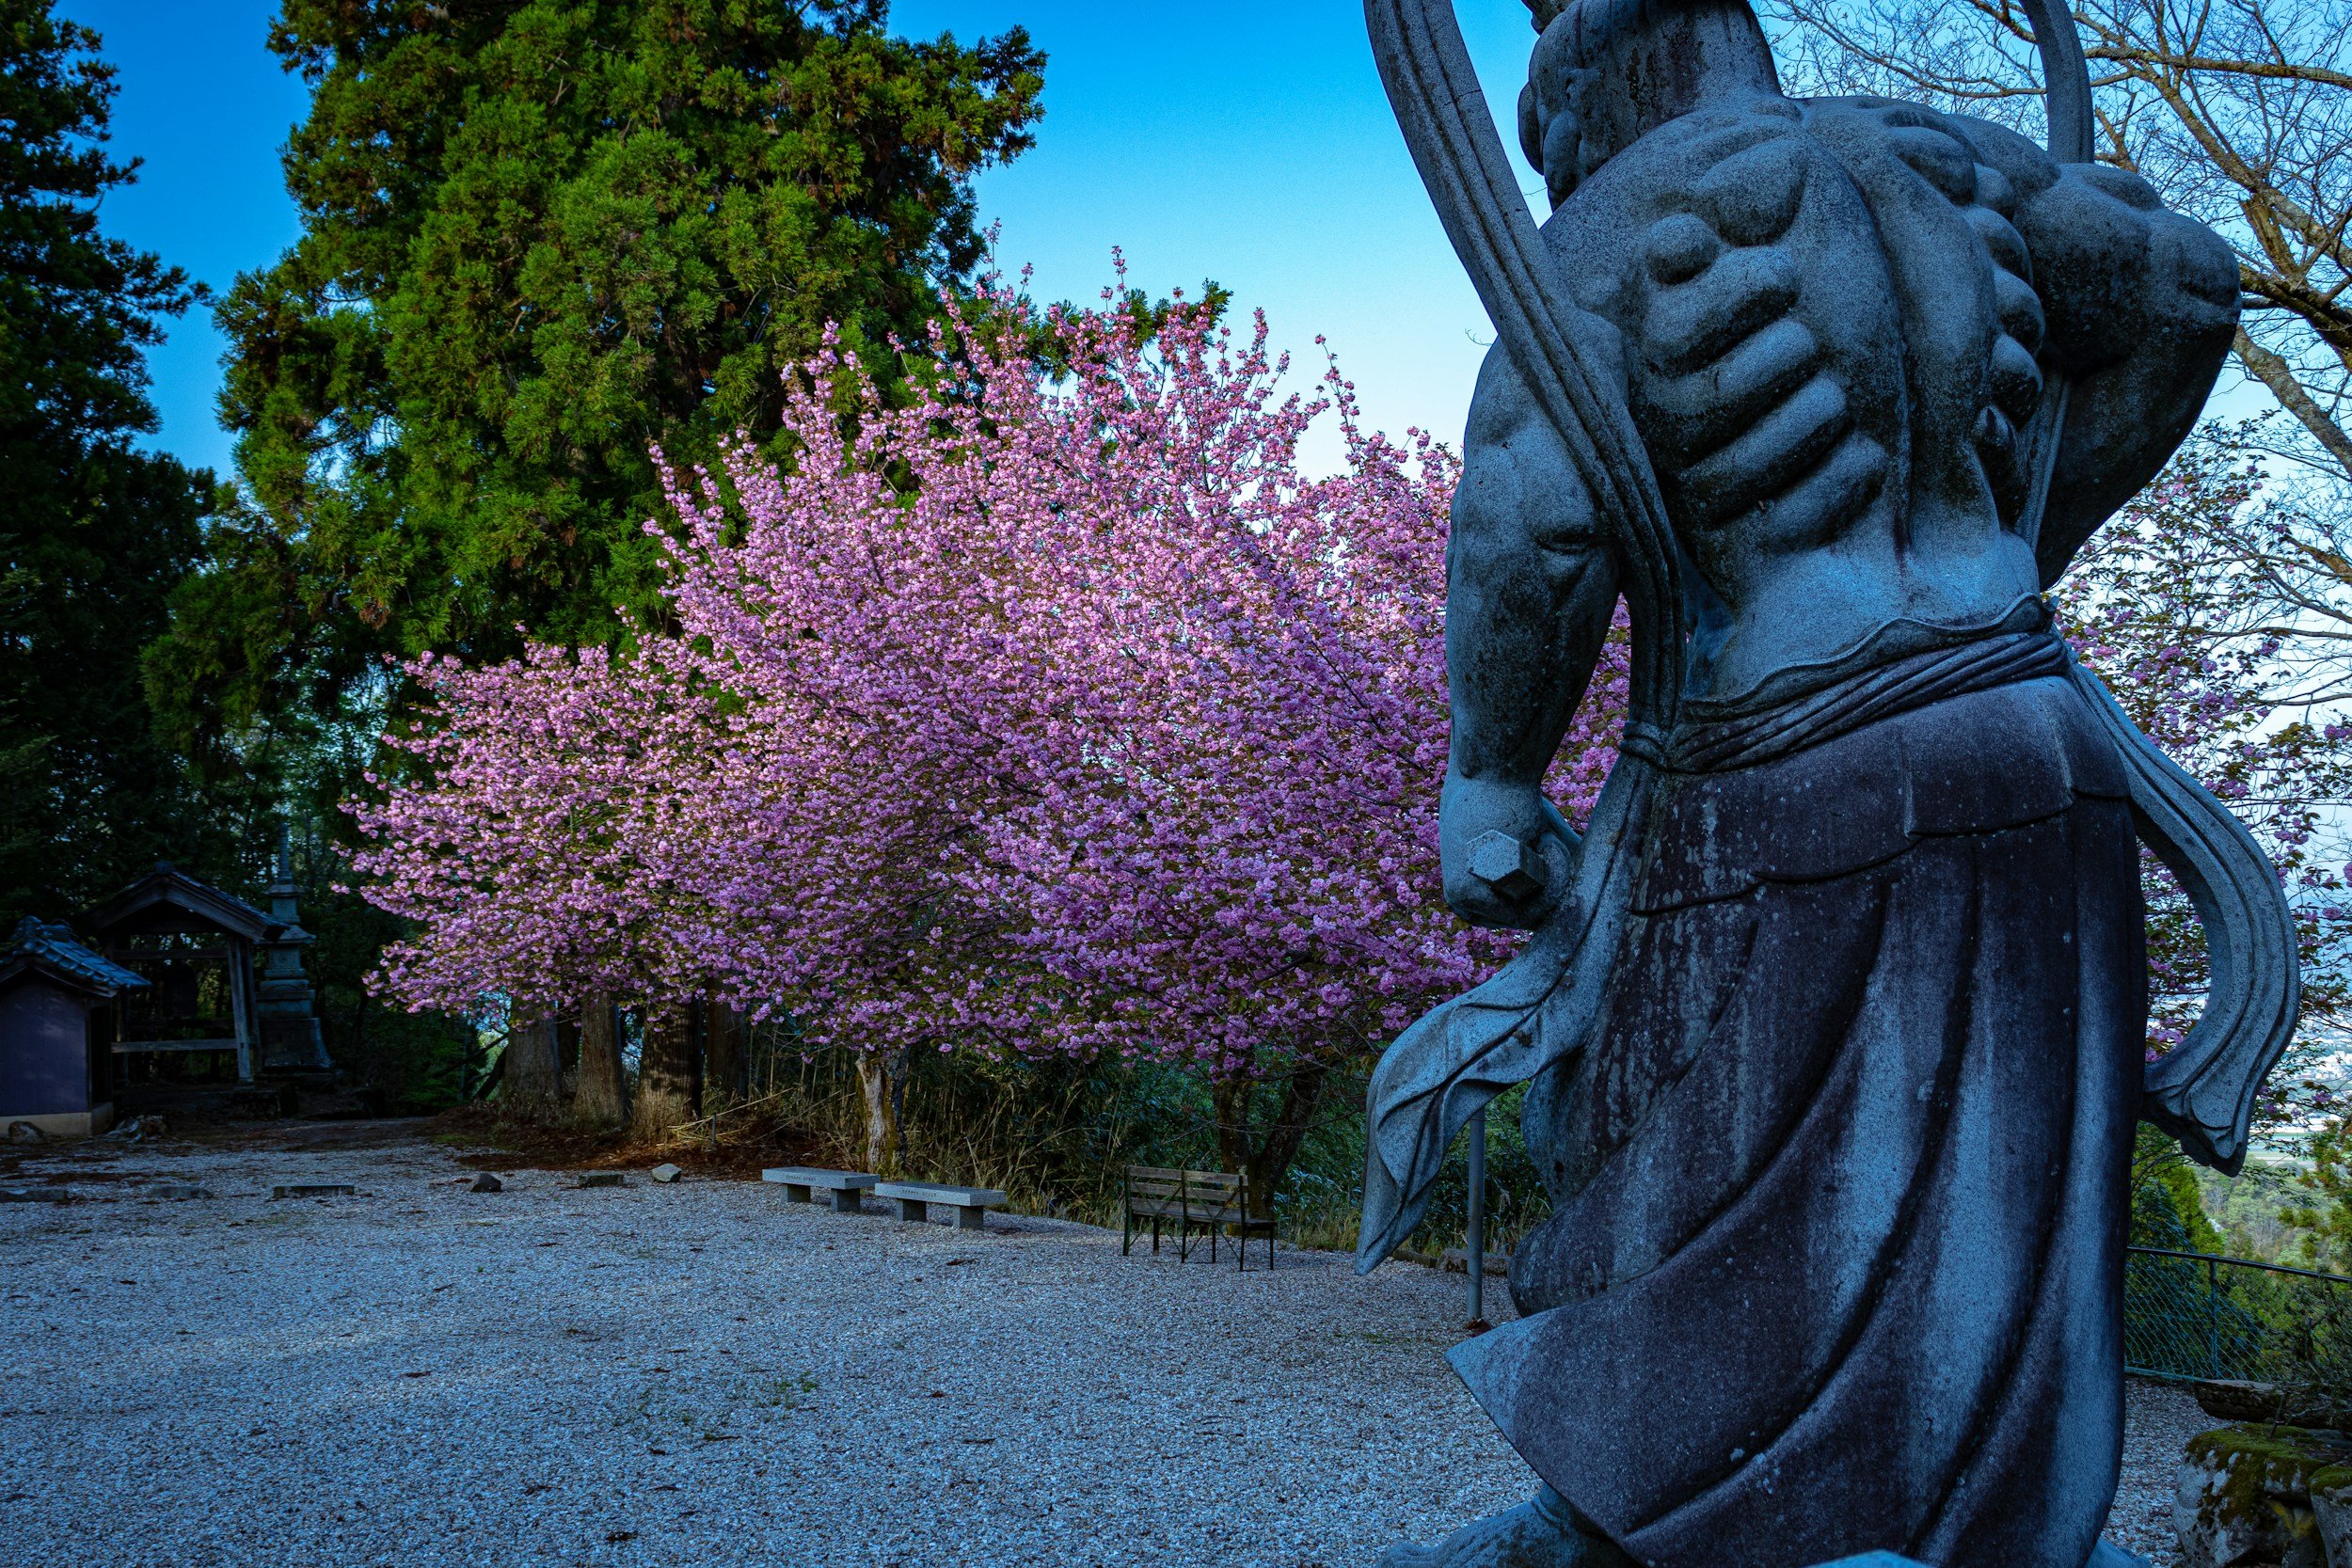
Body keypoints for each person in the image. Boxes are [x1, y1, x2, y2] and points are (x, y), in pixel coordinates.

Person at [1359, 0, 2264, 1563]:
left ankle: (1679, 1522)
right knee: (2000, 1187)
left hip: (1792, 772)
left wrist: (1491, 781)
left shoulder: (1619, 229)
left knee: (1669, 1169)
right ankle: (1979, 1523)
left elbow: (1541, 524)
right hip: (2042, 745)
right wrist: (2018, 545)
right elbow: (2188, 289)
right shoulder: (1951, 164)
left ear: (1583, 96)